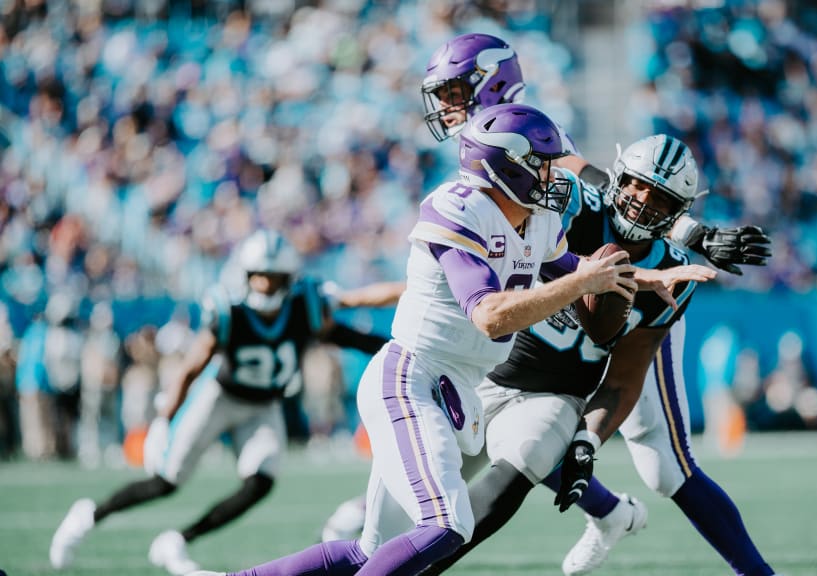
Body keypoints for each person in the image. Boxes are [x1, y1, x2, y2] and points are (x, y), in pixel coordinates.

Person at [197, 103, 710, 576]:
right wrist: (584, 281)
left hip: (453, 388)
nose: (556, 177)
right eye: (545, 165)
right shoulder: (457, 209)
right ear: (510, 169)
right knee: (448, 524)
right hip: (411, 378)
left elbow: (575, 267)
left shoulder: (536, 220)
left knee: (368, 553)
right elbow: (490, 316)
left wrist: (647, 278)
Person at [423, 134, 776, 576]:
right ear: (618, 177)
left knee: (661, 465)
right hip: (495, 371)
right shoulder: (571, 206)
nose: (643, 204)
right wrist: (695, 233)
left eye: (662, 199)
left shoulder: (672, 277)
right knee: (404, 502)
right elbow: (558, 171)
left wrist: (588, 441)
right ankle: (609, 513)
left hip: (560, 392)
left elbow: (624, 378)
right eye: (637, 186)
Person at [49, 230, 396, 576]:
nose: (265, 285)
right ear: (245, 276)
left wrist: (416, 291)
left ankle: (180, 539)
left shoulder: (306, 305)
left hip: (264, 405)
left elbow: (362, 299)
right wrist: (162, 420)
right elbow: (190, 369)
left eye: (273, 278)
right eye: (259, 277)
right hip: (220, 397)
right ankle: (87, 515)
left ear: (288, 278)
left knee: (261, 481)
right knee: (166, 482)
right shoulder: (230, 311)